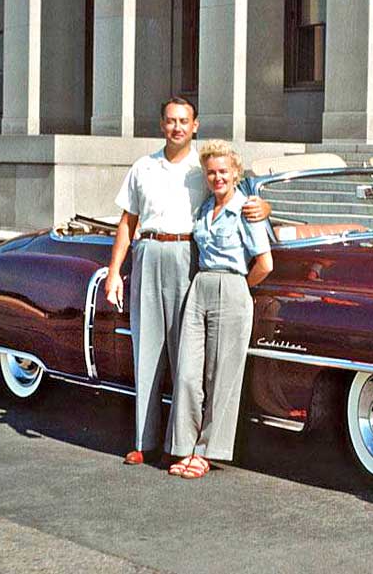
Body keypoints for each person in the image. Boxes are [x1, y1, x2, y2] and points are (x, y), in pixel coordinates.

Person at [105, 97, 269, 467]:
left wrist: (266, 208)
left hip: (188, 258)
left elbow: (244, 196)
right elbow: (127, 222)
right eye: (170, 120)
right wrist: (115, 271)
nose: (177, 127)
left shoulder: (205, 167)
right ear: (161, 125)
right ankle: (143, 441)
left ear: (195, 125)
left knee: (188, 360)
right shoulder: (143, 167)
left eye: (184, 121)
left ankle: (182, 445)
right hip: (148, 253)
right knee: (146, 349)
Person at [166, 140, 272, 479]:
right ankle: (183, 446)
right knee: (186, 372)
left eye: (223, 171)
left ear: (236, 173)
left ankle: (207, 452)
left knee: (220, 376)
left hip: (232, 286)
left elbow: (264, 263)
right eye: (211, 172)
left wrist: (240, 288)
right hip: (200, 287)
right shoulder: (203, 208)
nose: (217, 177)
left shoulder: (248, 210)